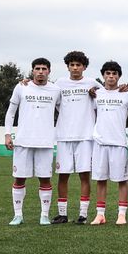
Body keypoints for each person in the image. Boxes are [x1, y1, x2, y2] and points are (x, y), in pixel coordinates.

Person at [4, 58, 61, 225]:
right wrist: (8, 134)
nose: (41, 71)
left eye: (44, 68)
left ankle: (44, 215)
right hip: (23, 141)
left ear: (49, 71)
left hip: (45, 142)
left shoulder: (56, 89)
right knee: (19, 178)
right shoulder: (22, 86)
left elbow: (65, 111)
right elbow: (10, 112)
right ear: (32, 71)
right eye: (37, 68)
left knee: (45, 179)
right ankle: (18, 215)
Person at [52, 51, 95, 224]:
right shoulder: (59, 83)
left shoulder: (92, 83)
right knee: (63, 175)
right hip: (63, 136)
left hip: (85, 136)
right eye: (72, 65)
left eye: (79, 65)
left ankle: (83, 215)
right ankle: (62, 214)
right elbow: (51, 100)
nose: (75, 68)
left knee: (85, 175)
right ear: (68, 66)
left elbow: (109, 92)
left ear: (84, 67)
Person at [90, 61, 128, 225]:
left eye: (114, 74)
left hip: (119, 143)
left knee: (122, 180)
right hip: (100, 143)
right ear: (103, 76)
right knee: (101, 179)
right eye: (108, 73)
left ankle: (121, 214)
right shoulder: (96, 94)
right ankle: (100, 214)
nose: (111, 76)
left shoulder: (127, 94)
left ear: (119, 76)